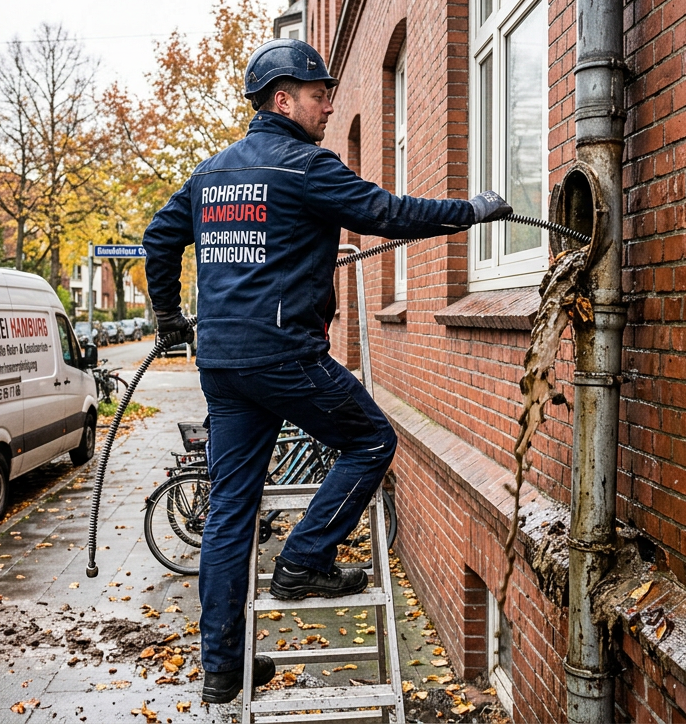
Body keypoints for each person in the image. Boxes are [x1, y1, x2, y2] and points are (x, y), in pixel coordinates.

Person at [142, 38, 513, 704]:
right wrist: (474, 212)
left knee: (230, 512)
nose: (328, 104)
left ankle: (222, 669)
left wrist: (169, 317)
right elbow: (389, 213)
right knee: (372, 440)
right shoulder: (306, 167)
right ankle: (304, 561)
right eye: (319, 95)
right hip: (284, 356)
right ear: (282, 99)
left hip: (224, 366)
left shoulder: (211, 173)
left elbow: (160, 236)